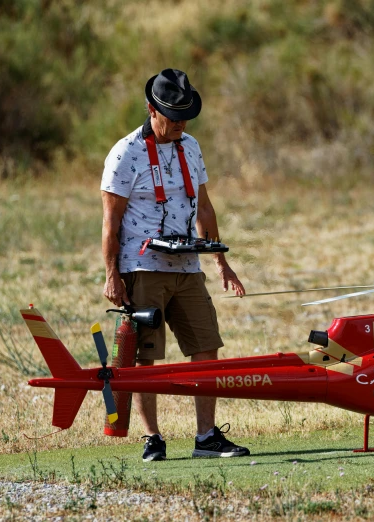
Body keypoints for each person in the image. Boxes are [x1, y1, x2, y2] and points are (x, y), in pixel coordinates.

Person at [100, 68, 249, 462]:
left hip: (187, 268)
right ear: (151, 109)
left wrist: (221, 264)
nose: (181, 123)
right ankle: (153, 438)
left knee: (206, 347)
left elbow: (204, 206)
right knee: (146, 356)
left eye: (186, 115)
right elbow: (110, 222)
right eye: (173, 115)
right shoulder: (125, 153)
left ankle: (206, 437)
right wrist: (112, 275)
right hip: (143, 267)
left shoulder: (191, 146)